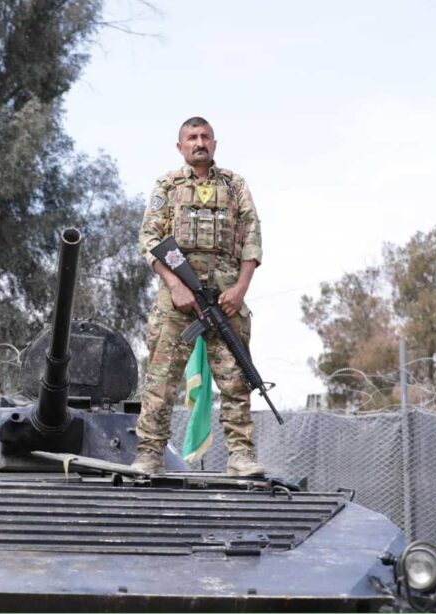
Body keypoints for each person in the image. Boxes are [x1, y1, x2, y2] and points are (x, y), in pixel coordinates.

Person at [131, 116, 265, 477]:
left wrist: (240, 289)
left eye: (205, 136)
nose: (199, 142)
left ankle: (241, 455)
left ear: (215, 144)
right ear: (180, 147)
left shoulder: (235, 185)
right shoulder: (168, 185)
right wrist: (175, 285)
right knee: (161, 381)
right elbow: (149, 239)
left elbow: (252, 239)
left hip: (225, 300)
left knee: (237, 379)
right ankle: (149, 454)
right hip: (177, 301)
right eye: (191, 137)